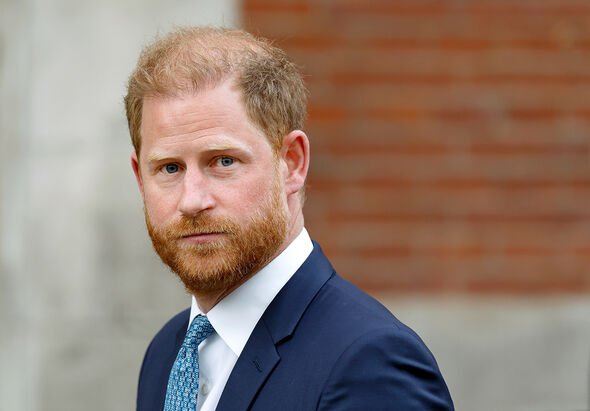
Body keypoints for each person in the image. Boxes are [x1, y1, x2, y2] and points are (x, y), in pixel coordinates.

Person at [125, 26, 454, 411]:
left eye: (223, 161)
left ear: (292, 163)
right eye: (169, 168)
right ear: (140, 178)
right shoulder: (166, 354)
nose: (192, 200)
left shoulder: (370, 362)